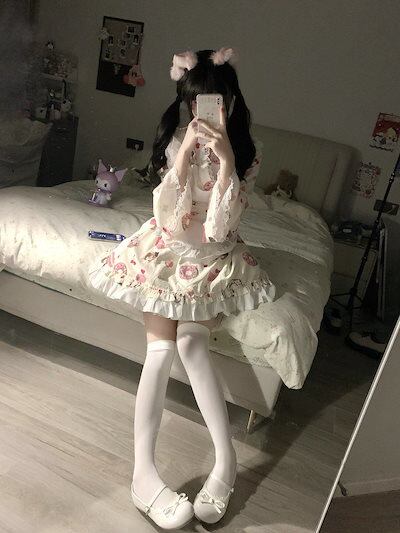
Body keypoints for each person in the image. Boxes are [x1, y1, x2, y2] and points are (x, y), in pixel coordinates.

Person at [88, 46, 276, 529]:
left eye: (215, 101)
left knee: (191, 344)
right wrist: (184, 158)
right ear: (186, 103)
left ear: (231, 102)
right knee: (159, 351)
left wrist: (227, 162)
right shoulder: (175, 142)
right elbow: (169, 219)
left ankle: (226, 462)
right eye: (196, 102)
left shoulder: (248, 152)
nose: (204, 111)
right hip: (166, 248)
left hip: (213, 256)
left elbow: (220, 227)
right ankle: (143, 475)